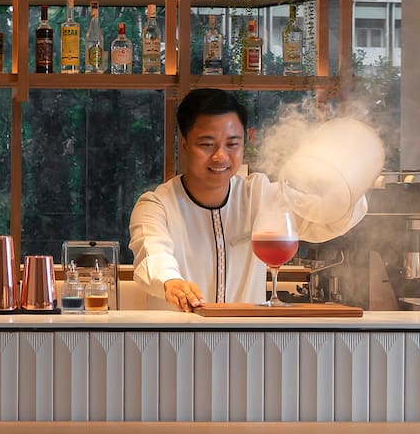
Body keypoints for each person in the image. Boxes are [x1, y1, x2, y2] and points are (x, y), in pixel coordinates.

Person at [130, 89, 367, 311]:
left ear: (247, 139)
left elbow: (327, 220)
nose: (220, 156)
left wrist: (345, 184)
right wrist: (171, 282)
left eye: (232, 144)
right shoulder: (156, 205)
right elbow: (153, 253)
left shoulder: (262, 194)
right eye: (206, 144)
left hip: (246, 343)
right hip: (176, 343)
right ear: (184, 143)